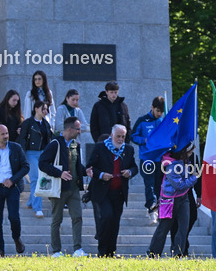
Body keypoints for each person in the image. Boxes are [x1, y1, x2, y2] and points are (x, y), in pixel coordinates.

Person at [85, 124, 138, 257]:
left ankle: (111, 252)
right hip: (103, 192)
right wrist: (102, 175)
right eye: (118, 136)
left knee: (115, 222)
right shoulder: (100, 148)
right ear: (112, 135)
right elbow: (90, 167)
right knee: (106, 217)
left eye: (123, 137)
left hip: (119, 192)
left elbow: (134, 167)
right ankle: (102, 251)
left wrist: (129, 172)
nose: (120, 139)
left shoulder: (129, 150)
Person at [39, 117, 87, 257]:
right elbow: (42, 163)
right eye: (77, 129)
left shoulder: (75, 144)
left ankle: (78, 249)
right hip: (58, 188)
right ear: (69, 129)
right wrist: (59, 173)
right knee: (56, 220)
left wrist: (86, 171)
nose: (80, 131)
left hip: (73, 188)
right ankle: (56, 250)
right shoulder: (55, 143)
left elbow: (76, 164)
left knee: (77, 217)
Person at [0, 124, 28, 257]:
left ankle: (16, 238)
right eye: (2, 134)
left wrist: (12, 179)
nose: (6, 136)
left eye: (7, 133)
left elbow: (25, 167)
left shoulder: (16, 148)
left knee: (14, 216)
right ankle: (0, 250)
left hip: (12, 187)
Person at [148, 146, 199, 257]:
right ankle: (153, 253)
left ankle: (178, 253)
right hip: (170, 200)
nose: (191, 154)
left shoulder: (183, 162)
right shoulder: (172, 165)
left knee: (183, 227)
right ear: (182, 152)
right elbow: (178, 185)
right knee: (164, 228)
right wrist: (194, 178)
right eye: (189, 151)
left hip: (184, 197)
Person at [130, 97, 165, 221]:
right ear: (152, 107)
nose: (159, 114)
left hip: (160, 159)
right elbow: (133, 136)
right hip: (147, 159)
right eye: (157, 111)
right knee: (149, 185)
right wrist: (144, 140)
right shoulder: (142, 120)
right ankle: (152, 209)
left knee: (158, 185)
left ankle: (159, 209)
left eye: (161, 112)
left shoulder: (163, 121)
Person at [19, 101, 53, 217]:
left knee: (40, 178)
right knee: (36, 179)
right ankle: (37, 208)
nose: (46, 111)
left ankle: (30, 202)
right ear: (36, 108)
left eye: (46, 109)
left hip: (43, 154)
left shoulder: (46, 124)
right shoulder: (28, 123)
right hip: (31, 153)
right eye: (43, 109)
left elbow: (49, 140)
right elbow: (22, 139)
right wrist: (22, 155)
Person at [89, 82, 131, 167]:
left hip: (120, 144)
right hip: (104, 143)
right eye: (111, 92)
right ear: (106, 92)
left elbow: (128, 124)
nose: (114, 95)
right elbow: (93, 125)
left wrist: (126, 142)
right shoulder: (98, 106)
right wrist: (99, 141)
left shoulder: (123, 106)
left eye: (115, 92)